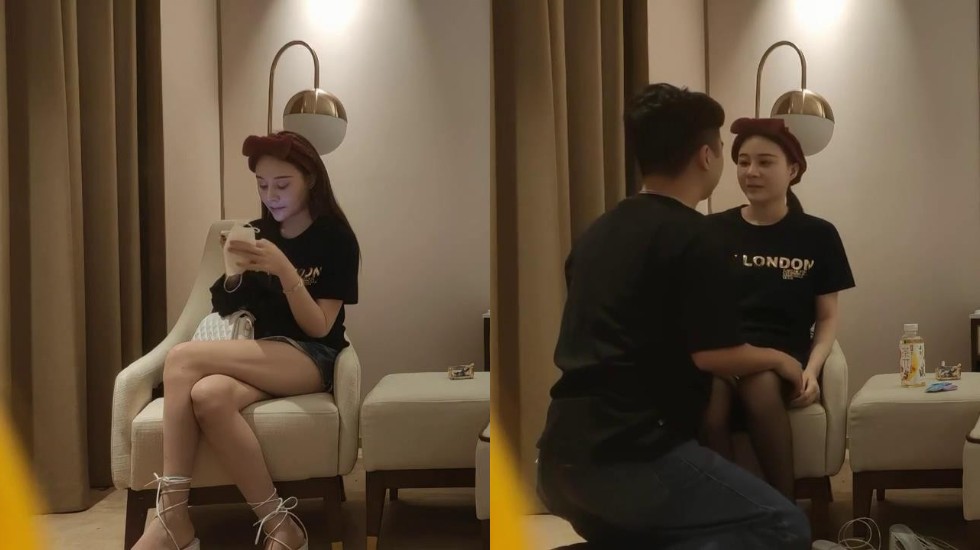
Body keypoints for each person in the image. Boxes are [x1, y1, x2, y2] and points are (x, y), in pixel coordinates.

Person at [535, 83, 811, 549]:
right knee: (784, 526)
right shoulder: (694, 235)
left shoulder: (597, 234)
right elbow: (715, 355)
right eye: (724, 149)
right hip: (634, 457)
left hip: (559, 460)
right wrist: (782, 360)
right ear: (706, 156)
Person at [133, 131, 360, 550]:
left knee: (181, 360)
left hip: (311, 356)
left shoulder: (336, 239)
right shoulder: (257, 232)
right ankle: (281, 525)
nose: (271, 195)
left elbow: (319, 327)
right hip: (259, 352)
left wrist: (284, 270)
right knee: (209, 396)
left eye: (282, 184)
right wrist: (235, 273)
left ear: (310, 179)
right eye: (262, 184)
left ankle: (172, 518)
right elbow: (225, 303)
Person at [701, 117, 855, 500]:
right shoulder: (711, 231)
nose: (751, 172)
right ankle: (727, 514)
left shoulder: (818, 235)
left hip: (782, 357)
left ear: (793, 170)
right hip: (726, 354)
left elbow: (827, 318)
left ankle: (784, 515)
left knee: (761, 386)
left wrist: (813, 370)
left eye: (765, 162)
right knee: (709, 402)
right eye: (743, 162)